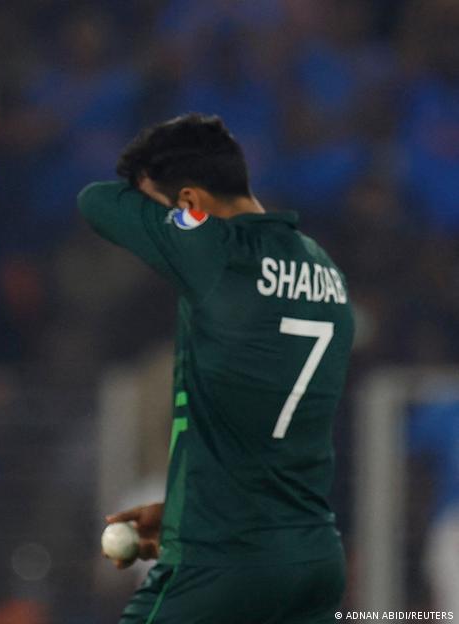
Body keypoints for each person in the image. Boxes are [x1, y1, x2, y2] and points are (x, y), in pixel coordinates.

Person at [78, 114, 354, 623]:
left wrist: (169, 216)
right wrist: (183, 513)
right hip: (312, 559)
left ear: (188, 204)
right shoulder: (325, 270)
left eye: (157, 207)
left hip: (222, 563)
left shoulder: (214, 252)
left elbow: (95, 201)